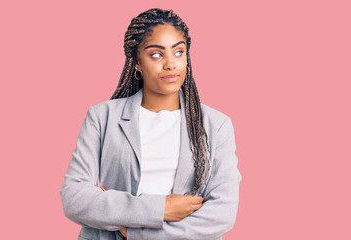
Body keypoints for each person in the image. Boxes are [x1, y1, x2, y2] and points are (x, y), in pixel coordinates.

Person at [60, 8, 241, 240]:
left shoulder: (215, 125)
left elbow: (222, 213)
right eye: (156, 54)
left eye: (178, 52)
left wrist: (134, 231)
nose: (170, 64)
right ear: (137, 62)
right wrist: (161, 208)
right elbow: (74, 198)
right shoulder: (102, 117)